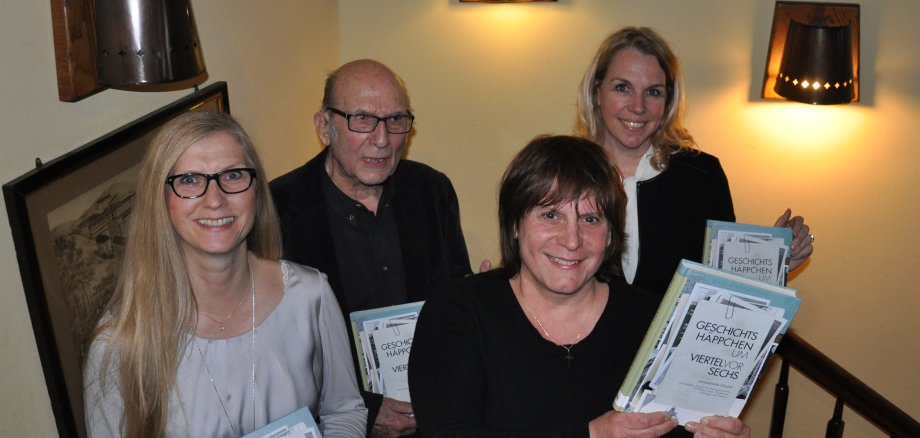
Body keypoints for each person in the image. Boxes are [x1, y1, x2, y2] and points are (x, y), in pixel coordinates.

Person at [408, 135, 751, 437]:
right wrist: (590, 435)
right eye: (550, 215)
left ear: (612, 234)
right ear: (514, 224)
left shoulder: (653, 321)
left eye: (590, 219)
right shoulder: (458, 310)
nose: (572, 240)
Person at [83, 111, 366, 438]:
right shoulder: (119, 344)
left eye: (232, 175)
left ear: (256, 190)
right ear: (160, 200)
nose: (215, 200)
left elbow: (344, 410)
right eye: (189, 180)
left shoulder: (309, 295)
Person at [270, 59, 473, 437]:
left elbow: (452, 298)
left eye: (396, 120)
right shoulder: (279, 208)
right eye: (362, 119)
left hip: (433, 413)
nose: (382, 140)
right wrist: (365, 408)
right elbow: (276, 347)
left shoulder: (431, 190)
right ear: (324, 127)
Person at [575, 26, 814, 296]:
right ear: (597, 92)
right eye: (622, 88)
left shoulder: (702, 176)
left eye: (653, 92)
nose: (638, 106)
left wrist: (772, 263)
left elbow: (720, 287)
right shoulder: (565, 174)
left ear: (669, 100)